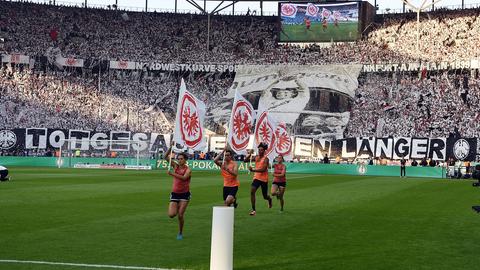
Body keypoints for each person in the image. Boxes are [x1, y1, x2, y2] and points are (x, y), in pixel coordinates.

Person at [165, 147, 192, 240]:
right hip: (175, 193)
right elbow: (165, 157)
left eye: (181, 159)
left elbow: (184, 178)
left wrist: (172, 174)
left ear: (185, 160)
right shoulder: (175, 166)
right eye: (178, 159)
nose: (179, 160)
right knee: (171, 215)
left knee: (180, 215)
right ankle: (176, 207)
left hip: (184, 194)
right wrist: (170, 148)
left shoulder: (188, 169)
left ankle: (180, 232)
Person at [245, 143, 272, 216]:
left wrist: (253, 170)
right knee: (252, 191)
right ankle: (253, 210)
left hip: (264, 179)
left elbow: (263, 169)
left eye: (261, 150)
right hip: (257, 178)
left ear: (264, 151)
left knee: (265, 196)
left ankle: (269, 199)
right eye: (259, 150)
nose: (260, 151)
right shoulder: (256, 157)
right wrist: (250, 154)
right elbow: (245, 161)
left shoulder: (266, 159)